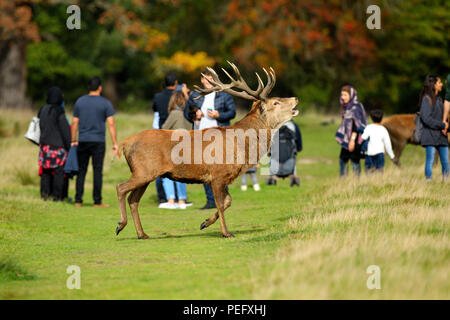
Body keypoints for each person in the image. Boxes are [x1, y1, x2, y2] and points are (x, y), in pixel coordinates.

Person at [184, 68, 236, 209]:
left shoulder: (224, 94)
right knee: (205, 171)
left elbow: (232, 112)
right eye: (205, 79)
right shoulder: (195, 94)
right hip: (200, 137)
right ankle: (211, 201)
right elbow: (186, 113)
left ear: (215, 79)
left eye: (210, 79)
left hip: (220, 137)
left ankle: (223, 197)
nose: (207, 82)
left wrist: (219, 115)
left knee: (220, 170)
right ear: (201, 80)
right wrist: (195, 115)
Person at [71, 77, 118, 207]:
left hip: (83, 140)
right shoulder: (105, 103)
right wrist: (115, 143)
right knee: (97, 171)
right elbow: (111, 123)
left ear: (89, 87)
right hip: (98, 141)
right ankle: (97, 201)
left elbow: (75, 122)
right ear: (100, 88)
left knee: (81, 170)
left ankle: (78, 200)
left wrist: (73, 139)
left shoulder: (80, 102)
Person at [152, 73, 190, 204]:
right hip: (185, 142)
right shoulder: (186, 111)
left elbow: (161, 122)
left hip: (168, 138)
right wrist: (186, 94)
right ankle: (182, 199)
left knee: (164, 170)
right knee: (181, 171)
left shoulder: (159, 98)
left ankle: (168, 198)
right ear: (176, 83)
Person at [160, 91, 192, 209]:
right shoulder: (187, 114)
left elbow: (163, 129)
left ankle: (171, 200)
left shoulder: (174, 113)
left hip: (174, 147)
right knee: (181, 174)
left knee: (167, 174)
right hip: (187, 147)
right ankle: (182, 201)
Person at [38, 87, 71, 201]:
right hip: (58, 147)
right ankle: (58, 196)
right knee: (58, 172)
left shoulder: (42, 110)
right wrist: (69, 144)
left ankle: (45, 194)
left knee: (45, 172)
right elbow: (65, 129)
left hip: (44, 146)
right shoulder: (58, 111)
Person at [418, 75, 449, 181]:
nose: (442, 84)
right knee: (430, 160)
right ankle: (429, 182)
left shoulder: (440, 99)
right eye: (439, 82)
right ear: (434, 85)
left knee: (445, 161)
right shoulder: (426, 100)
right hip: (430, 136)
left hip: (441, 136)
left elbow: (443, 119)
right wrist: (442, 125)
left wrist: (446, 126)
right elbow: (426, 119)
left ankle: (446, 181)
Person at [335, 85, 368, 177]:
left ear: (351, 95)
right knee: (342, 160)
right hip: (347, 139)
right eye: (342, 95)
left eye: (345, 95)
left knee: (354, 161)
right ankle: (344, 183)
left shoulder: (356, 107)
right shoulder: (347, 108)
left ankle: (356, 184)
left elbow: (357, 125)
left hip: (355, 139)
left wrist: (352, 140)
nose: (343, 97)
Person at [266, 120, 302, 186]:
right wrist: (299, 148)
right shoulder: (293, 125)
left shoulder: (273, 125)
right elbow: (298, 138)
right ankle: (294, 176)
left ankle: (273, 177)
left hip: (275, 153)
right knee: (292, 154)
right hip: (289, 152)